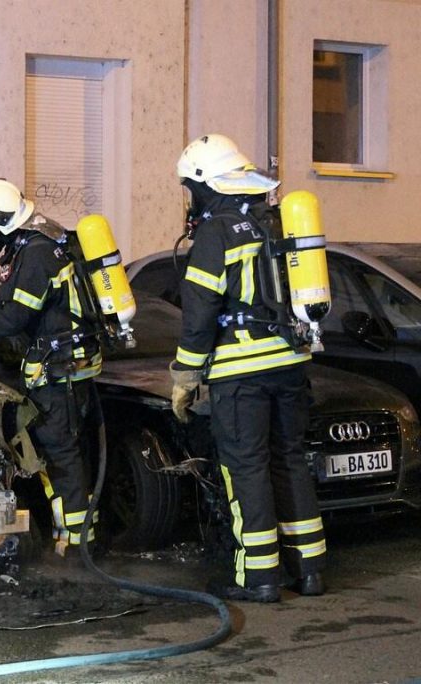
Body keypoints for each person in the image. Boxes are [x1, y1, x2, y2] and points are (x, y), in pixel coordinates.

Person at [170, 134, 327, 602]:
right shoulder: (274, 221)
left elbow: (199, 315)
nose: (191, 200)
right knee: (290, 461)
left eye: (191, 189)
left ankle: (259, 578)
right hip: (291, 364)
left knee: (247, 468)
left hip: (241, 374)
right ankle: (309, 571)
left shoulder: (216, 232)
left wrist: (185, 377)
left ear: (208, 185)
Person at [0, 179, 104, 558]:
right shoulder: (37, 243)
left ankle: (80, 545)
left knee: (61, 454)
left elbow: (16, 317)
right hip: (65, 365)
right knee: (61, 452)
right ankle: (72, 537)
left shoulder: (36, 251)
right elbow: (27, 297)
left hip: (59, 370)